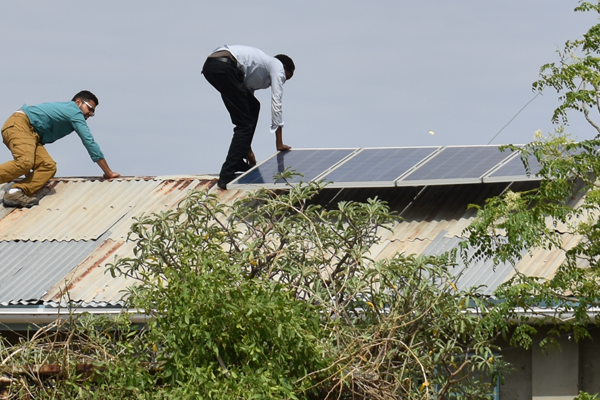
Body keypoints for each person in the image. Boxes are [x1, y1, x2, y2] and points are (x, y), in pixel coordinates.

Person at [0, 90, 120, 208]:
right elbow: (89, 142)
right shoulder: (74, 111)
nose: (90, 114)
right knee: (25, 162)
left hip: (31, 134)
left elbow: (28, 147)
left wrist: (29, 175)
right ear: (78, 102)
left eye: (93, 112)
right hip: (20, 124)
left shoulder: (68, 113)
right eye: (90, 109)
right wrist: (108, 172)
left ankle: (15, 192)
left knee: (48, 166)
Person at [202, 45, 295, 189]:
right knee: (243, 125)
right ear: (284, 67)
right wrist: (279, 142)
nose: (283, 81)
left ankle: (239, 158)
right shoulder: (276, 66)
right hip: (225, 66)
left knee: (253, 108)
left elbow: (247, 103)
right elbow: (277, 102)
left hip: (212, 67)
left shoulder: (257, 71)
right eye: (286, 78)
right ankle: (227, 174)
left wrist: (247, 148)